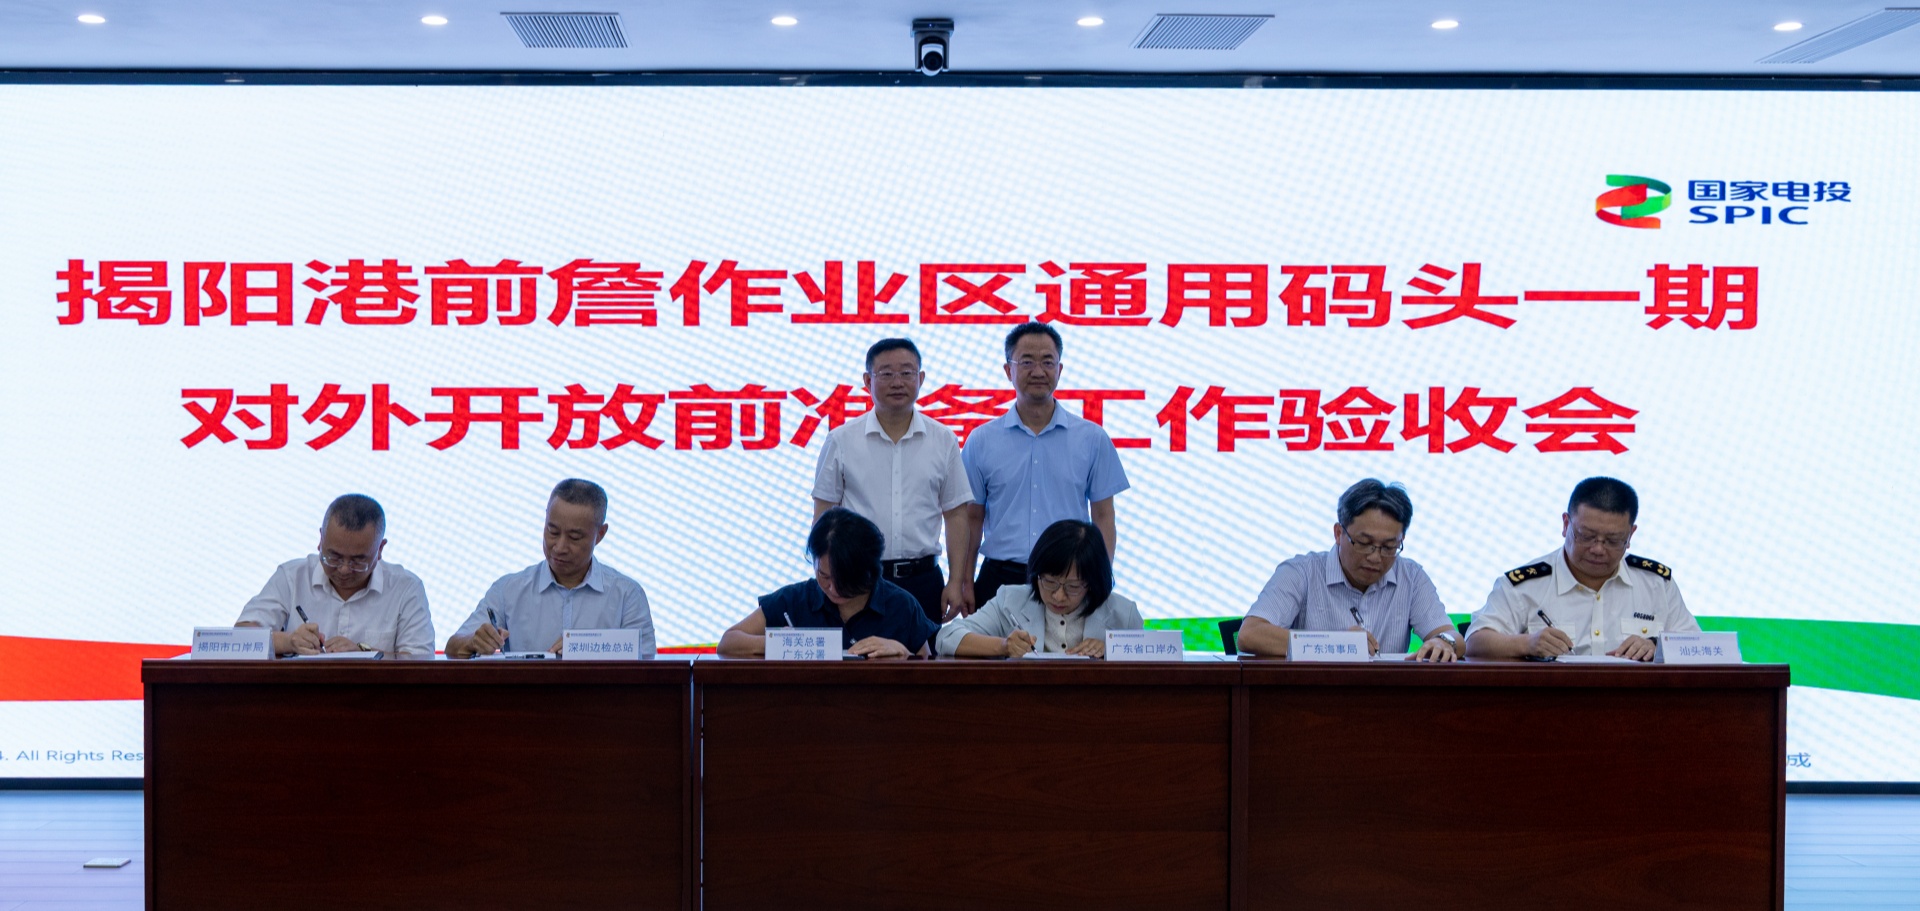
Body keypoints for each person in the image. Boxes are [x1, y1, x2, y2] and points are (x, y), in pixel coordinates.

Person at [962, 322, 1130, 606]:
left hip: (1070, 579)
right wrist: (964, 580)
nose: (1038, 371)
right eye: (1027, 362)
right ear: (1008, 370)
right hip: (999, 579)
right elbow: (972, 518)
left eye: (1047, 362)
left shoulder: (1092, 438)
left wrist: (1100, 579)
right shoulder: (981, 440)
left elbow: (1103, 516)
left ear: (1059, 370)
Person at [812, 337, 974, 623]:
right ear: (868, 380)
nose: (897, 382)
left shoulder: (943, 439)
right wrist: (824, 577)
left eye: (906, 373)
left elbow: (956, 514)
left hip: (924, 580)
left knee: (924, 652)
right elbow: (824, 515)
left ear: (920, 379)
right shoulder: (841, 440)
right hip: (857, 580)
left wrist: (955, 581)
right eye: (886, 374)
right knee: (859, 651)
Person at [1465, 476, 1698, 662]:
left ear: (1630, 535)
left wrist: (1656, 646)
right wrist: (1527, 643)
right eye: (1586, 536)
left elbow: (1698, 648)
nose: (1598, 549)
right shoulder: (1525, 585)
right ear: (1566, 524)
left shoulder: (1657, 584)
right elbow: (1474, 643)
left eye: (1613, 540)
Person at [1235, 480, 1461, 661]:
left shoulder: (1411, 576)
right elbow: (1251, 634)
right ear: (1338, 533)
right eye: (1364, 543)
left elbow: (1454, 637)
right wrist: (1336, 644)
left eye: (1388, 547)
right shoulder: (1301, 572)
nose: (1375, 557)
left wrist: (1443, 642)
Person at [445, 479, 656, 658]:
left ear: (600, 535)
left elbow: (646, 665)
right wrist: (474, 641)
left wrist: (586, 648)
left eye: (574, 537)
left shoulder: (627, 595)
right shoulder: (508, 590)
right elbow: (453, 647)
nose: (560, 547)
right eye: (552, 532)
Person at [718, 507, 937, 659]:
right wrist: (781, 644)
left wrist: (903, 653)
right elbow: (728, 642)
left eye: (844, 580)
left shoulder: (901, 605)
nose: (833, 588)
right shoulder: (794, 600)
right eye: (823, 576)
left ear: (869, 571)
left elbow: (927, 666)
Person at [236, 493, 435, 657]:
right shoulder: (291, 577)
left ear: (380, 549)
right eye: (334, 557)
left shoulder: (406, 588)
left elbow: (421, 662)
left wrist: (363, 652)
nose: (344, 569)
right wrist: (288, 641)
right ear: (320, 540)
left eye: (358, 560)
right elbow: (241, 636)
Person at [937, 519, 1142, 658]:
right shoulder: (1010, 600)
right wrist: (1004, 646)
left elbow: (1151, 658)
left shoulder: (1123, 613)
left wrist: (1113, 651)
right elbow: (946, 637)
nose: (1058, 596)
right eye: (1050, 582)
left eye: (1072, 587)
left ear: (1092, 582)